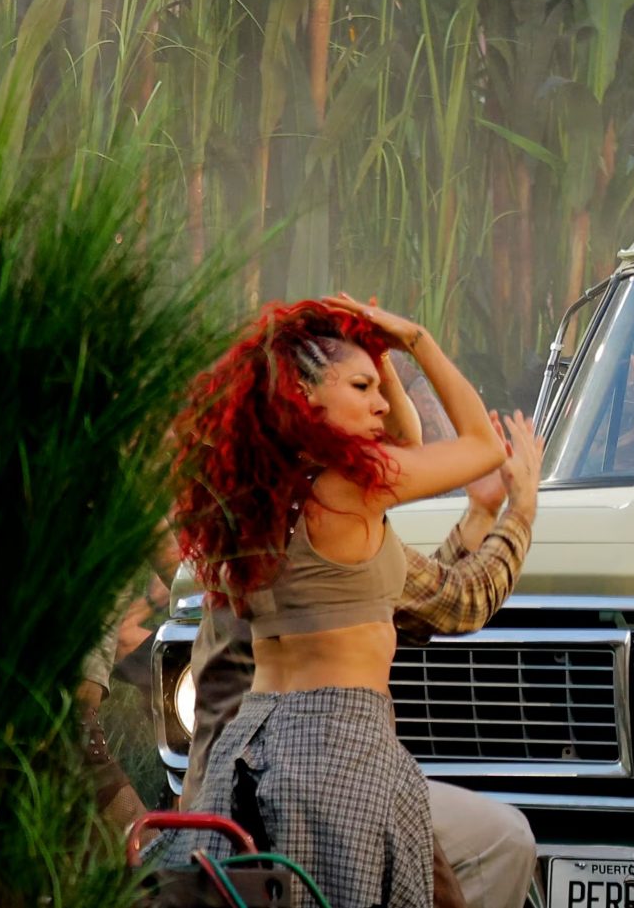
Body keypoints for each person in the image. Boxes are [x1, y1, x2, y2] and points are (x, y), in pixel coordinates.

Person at [168, 296, 509, 908]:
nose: (380, 401)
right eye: (361, 386)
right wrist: (416, 339)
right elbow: (483, 447)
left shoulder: (257, 495)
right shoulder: (350, 489)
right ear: (303, 394)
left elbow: (403, 437)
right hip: (337, 744)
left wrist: (375, 358)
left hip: (253, 740)